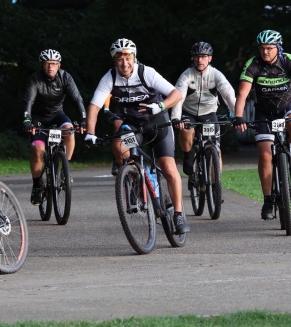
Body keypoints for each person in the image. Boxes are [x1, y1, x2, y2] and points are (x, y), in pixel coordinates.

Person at [84, 38, 190, 234]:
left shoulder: (146, 72)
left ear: (134, 57)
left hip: (157, 123)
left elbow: (176, 94)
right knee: (119, 146)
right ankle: (134, 178)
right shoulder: (110, 77)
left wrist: (160, 106)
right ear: (114, 60)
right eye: (119, 59)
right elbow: (94, 106)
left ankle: (178, 214)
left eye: (128, 58)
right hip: (133, 125)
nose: (124, 64)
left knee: (167, 166)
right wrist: (90, 133)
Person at [232, 30, 291, 220]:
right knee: (265, 156)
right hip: (264, 113)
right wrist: (238, 116)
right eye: (262, 48)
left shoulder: (288, 60)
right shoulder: (253, 64)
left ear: (278, 48)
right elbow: (242, 93)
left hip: (286, 107)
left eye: (269, 48)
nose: (265, 52)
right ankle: (267, 200)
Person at [22, 49, 86, 206]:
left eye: (53, 64)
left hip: (57, 114)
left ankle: (65, 168)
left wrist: (83, 119)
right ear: (42, 65)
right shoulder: (35, 79)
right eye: (46, 63)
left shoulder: (66, 77)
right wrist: (26, 120)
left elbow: (77, 99)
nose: (50, 67)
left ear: (59, 65)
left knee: (70, 130)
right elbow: (28, 101)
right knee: (38, 150)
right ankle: (37, 185)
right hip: (37, 119)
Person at [170, 41, 237, 180]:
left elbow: (228, 94)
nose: (200, 60)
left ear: (210, 58)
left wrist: (238, 115)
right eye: (196, 56)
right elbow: (179, 97)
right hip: (189, 112)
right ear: (193, 58)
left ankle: (215, 186)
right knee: (186, 129)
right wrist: (176, 118)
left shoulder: (216, 74)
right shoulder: (186, 75)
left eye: (203, 56)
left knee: (216, 150)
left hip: (209, 113)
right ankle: (188, 154)